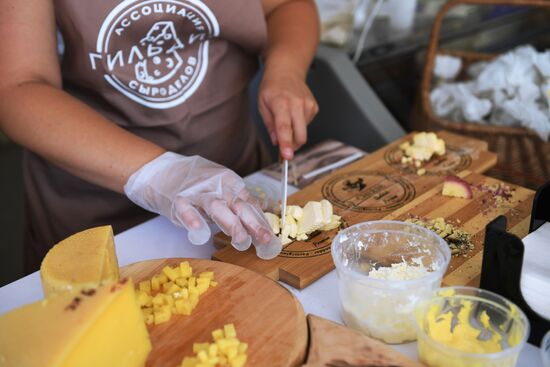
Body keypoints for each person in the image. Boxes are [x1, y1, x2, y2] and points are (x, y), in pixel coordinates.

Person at [0, 0, 320, 271]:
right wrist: (160, 174)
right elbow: (18, 87)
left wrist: (286, 69)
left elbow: (286, 5)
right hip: (96, 215)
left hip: (239, 189)